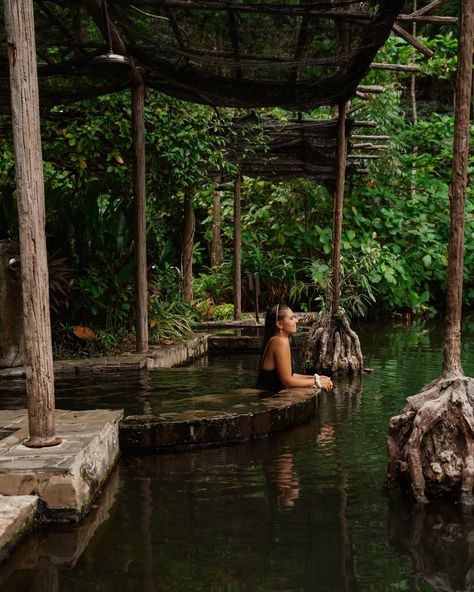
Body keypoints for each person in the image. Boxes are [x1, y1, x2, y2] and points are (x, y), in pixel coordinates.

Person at [257, 303, 333, 393]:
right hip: (270, 399)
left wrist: (316, 377)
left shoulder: (276, 339)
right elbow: (287, 382)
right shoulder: (280, 341)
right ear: (279, 325)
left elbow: (290, 375)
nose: (296, 320)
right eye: (291, 318)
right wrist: (317, 382)